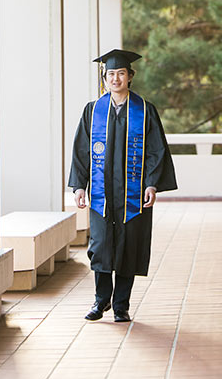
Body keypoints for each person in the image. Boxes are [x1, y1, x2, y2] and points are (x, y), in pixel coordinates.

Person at [68, 49, 176, 323]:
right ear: (104, 78)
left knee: (129, 246)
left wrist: (151, 184)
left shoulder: (144, 110)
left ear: (130, 77)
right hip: (102, 195)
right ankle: (100, 301)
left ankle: (121, 306)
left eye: (121, 74)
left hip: (133, 194)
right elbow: (81, 150)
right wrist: (79, 186)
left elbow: (156, 151)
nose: (116, 79)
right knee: (101, 245)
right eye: (111, 74)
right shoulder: (93, 111)